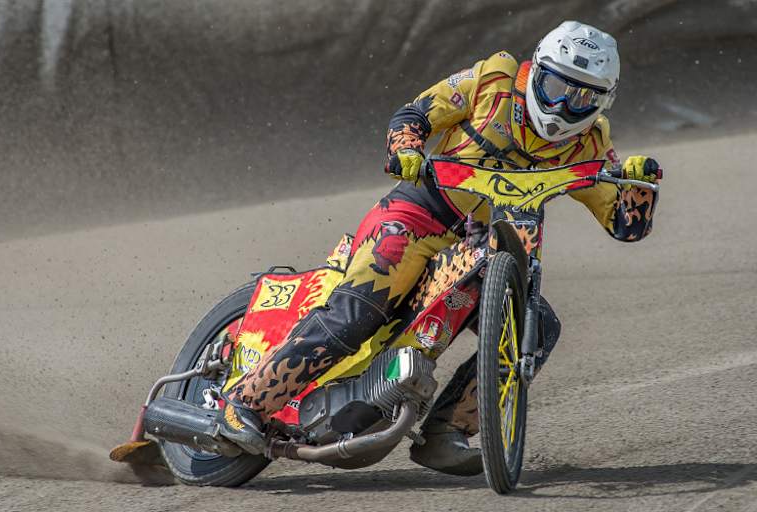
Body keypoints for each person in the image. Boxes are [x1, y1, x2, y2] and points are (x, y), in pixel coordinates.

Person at [218, 20, 661, 475]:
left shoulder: (591, 141)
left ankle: (447, 431)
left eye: (583, 97)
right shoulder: (494, 79)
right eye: (554, 87)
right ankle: (245, 403)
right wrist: (406, 146)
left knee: (539, 327)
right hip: (417, 216)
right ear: (536, 73)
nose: (564, 106)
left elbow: (625, 226)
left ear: (602, 101)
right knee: (360, 310)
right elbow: (415, 114)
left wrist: (641, 186)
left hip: (482, 244)